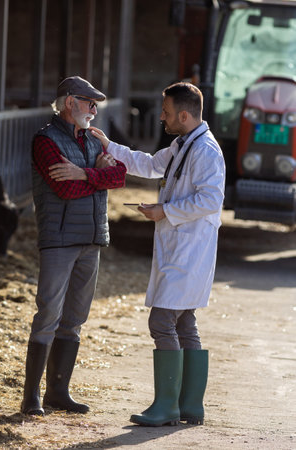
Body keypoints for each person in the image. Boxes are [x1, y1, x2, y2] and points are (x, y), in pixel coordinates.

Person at [91, 82, 225, 427]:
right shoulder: (183, 143)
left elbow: (211, 200)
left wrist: (165, 210)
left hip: (190, 249)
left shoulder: (207, 151)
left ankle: (167, 406)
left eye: (166, 113)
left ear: (183, 114)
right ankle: (190, 406)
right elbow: (149, 164)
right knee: (184, 322)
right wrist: (109, 146)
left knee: (162, 321)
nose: (162, 118)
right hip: (181, 247)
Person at [21, 76, 126, 416]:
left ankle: (58, 393)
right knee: (48, 314)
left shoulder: (95, 139)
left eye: (96, 103)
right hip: (59, 239)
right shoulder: (45, 140)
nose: (94, 109)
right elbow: (61, 189)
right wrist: (96, 175)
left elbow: (120, 176)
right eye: (88, 102)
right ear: (69, 102)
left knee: (75, 318)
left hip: (92, 239)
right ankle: (31, 397)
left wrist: (85, 175)